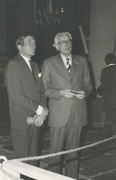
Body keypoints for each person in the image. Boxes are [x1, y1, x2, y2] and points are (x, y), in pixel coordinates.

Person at [42, 32, 93, 179]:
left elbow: (89, 85)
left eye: (69, 41)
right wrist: (61, 93)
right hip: (59, 113)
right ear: (56, 46)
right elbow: (44, 89)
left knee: (73, 152)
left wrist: (85, 92)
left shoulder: (82, 61)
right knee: (56, 152)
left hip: (78, 112)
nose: (67, 44)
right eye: (63, 42)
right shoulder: (49, 63)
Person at [5, 35, 48, 167]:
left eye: (34, 43)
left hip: (36, 117)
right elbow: (17, 95)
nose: (33, 45)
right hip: (22, 118)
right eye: (29, 43)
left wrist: (41, 112)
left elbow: (41, 91)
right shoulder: (13, 64)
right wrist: (40, 109)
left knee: (33, 159)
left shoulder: (35, 66)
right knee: (21, 159)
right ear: (19, 46)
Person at [94, 53, 116, 151]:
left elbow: (104, 86)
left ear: (106, 61)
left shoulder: (105, 71)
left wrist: (98, 90)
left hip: (110, 102)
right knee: (110, 123)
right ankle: (101, 144)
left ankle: (100, 144)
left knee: (110, 123)